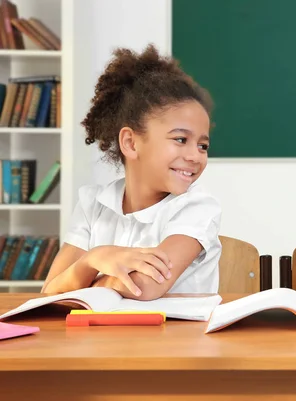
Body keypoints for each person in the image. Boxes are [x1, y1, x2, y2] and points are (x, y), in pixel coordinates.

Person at [42, 44, 221, 300]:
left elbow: (144, 287)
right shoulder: (93, 205)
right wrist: (94, 258)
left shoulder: (197, 207)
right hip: (99, 339)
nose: (195, 156)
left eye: (202, 145)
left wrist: (81, 279)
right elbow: (50, 292)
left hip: (176, 339)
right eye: (181, 140)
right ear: (131, 142)